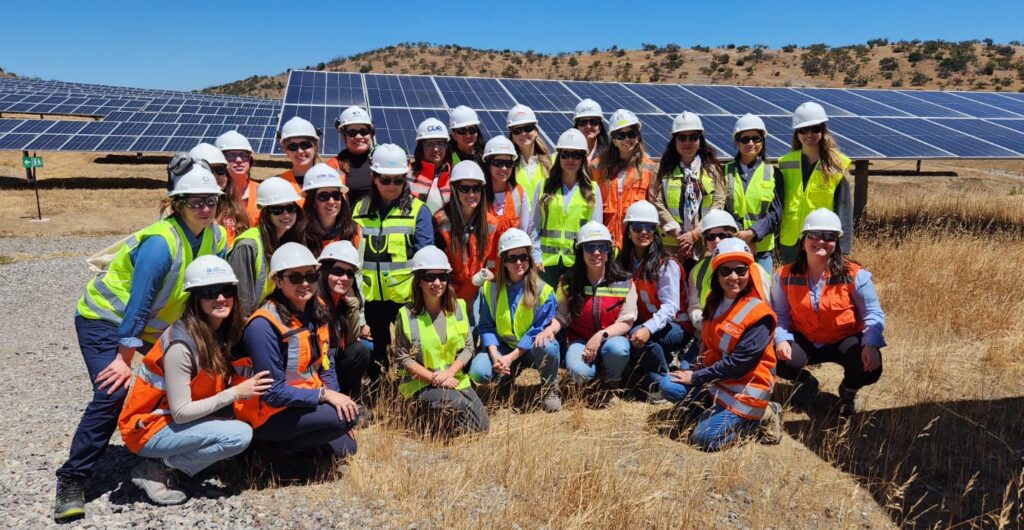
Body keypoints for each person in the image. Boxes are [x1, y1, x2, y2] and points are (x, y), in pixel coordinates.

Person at [54, 165, 228, 522]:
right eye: (195, 201)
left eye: (211, 200)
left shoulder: (216, 237)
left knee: (181, 382)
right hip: (105, 319)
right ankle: (72, 480)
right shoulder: (161, 244)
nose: (205, 208)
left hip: (150, 328)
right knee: (112, 392)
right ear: (177, 203)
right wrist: (123, 358)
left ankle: (157, 458)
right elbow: (140, 301)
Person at [118, 256, 271, 505]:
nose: (220, 298)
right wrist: (236, 393)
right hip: (148, 428)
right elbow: (181, 412)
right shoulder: (182, 344)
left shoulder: (221, 331)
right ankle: (160, 467)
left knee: (245, 418)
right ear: (196, 298)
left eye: (226, 290)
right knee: (239, 435)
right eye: (210, 292)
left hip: (176, 418)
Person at [236, 243, 359, 464]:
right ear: (278, 281)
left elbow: (326, 364)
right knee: (342, 420)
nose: (305, 284)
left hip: (302, 402)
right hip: (268, 412)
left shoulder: (318, 310)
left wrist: (337, 398)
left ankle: (292, 452)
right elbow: (272, 393)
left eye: (310, 277)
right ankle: (262, 452)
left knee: (346, 445)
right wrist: (325, 396)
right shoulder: (263, 325)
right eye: (295, 278)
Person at [657, 238, 783, 451]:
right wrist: (698, 368)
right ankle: (712, 412)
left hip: (746, 389)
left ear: (749, 272)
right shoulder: (713, 300)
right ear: (716, 274)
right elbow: (711, 343)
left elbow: (739, 364)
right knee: (668, 385)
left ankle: (760, 418)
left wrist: (696, 377)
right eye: (726, 271)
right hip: (717, 381)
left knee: (704, 439)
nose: (734, 277)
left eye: (741, 270)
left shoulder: (759, 314)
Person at [772, 209, 885, 416]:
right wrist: (781, 339)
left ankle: (848, 390)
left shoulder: (854, 275)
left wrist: (871, 344)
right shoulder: (784, 275)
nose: (821, 242)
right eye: (814, 235)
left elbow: (872, 313)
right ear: (803, 240)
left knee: (869, 367)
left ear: (836, 242)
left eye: (829, 236)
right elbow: (780, 314)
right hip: (805, 338)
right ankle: (805, 382)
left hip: (843, 339)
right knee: (772, 355)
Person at [352, 144, 434, 390]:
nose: (392, 186)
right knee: (375, 351)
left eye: (398, 180)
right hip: (371, 297)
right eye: (385, 179)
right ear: (374, 178)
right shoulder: (359, 209)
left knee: (412, 349)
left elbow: (425, 257)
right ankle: (378, 389)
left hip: (406, 298)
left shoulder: (418, 211)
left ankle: (414, 390)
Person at [391, 246, 490, 435]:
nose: (437, 282)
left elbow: (469, 347)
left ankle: (442, 421)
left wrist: (449, 374)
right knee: (455, 403)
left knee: (481, 428)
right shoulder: (406, 315)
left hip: (454, 379)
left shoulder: (459, 307)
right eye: (430, 277)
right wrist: (436, 379)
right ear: (419, 281)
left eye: (442, 277)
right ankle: (420, 418)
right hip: (420, 383)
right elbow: (403, 358)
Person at [469, 229, 562, 412]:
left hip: (532, 349)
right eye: (512, 258)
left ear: (530, 257)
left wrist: (510, 358)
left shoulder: (544, 291)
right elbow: (487, 326)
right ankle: (506, 379)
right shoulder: (490, 289)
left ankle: (550, 387)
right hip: (503, 347)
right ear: (503, 261)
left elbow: (537, 330)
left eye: (523, 256)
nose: (519, 262)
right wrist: (496, 355)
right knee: (479, 371)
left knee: (548, 346)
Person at [553, 222, 636, 398]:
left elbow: (627, 321)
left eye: (603, 247)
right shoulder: (567, 281)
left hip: (612, 338)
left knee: (618, 350)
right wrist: (548, 330)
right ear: (580, 251)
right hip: (580, 340)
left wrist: (600, 336)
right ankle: (593, 373)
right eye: (590, 247)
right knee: (579, 373)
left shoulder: (625, 281)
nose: (596, 253)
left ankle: (613, 379)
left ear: (609, 251)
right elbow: (561, 316)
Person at [618, 201, 690, 397]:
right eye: (637, 227)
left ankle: (660, 384)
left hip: (677, 326)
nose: (643, 232)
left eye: (649, 227)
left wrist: (647, 329)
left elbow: (671, 307)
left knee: (641, 336)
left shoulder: (666, 264)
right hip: (647, 321)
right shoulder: (624, 260)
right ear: (628, 230)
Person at [778, 102, 854, 263]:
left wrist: (844, 249)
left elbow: (844, 209)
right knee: (793, 285)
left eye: (815, 129)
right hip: (791, 240)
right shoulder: (785, 163)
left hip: (821, 239)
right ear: (797, 133)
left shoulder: (837, 164)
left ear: (823, 131)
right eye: (803, 130)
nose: (809, 134)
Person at [532, 129, 603, 288]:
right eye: (565, 154)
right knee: (545, 309)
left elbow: (595, 231)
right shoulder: (543, 186)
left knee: (570, 310)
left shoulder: (592, 190)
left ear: (583, 158)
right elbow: (534, 226)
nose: (570, 159)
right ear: (558, 156)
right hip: (546, 264)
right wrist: (535, 256)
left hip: (576, 263)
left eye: (576, 155)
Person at [592, 109, 670, 249]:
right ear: (613, 140)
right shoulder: (597, 168)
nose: (627, 139)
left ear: (638, 136)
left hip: (636, 245)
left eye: (631, 134)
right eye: (620, 135)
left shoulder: (651, 169)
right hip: (605, 242)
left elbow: (657, 206)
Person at [229, 177, 305, 318]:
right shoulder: (248, 246)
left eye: (291, 208)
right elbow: (242, 304)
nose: (286, 214)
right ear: (265, 213)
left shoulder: (287, 240)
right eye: (277, 210)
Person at [656, 112, 726, 264]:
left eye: (693, 137)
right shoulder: (662, 170)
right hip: (672, 244)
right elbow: (657, 203)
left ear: (700, 140)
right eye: (682, 137)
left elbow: (718, 203)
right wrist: (680, 235)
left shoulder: (713, 170)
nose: (687, 142)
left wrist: (695, 234)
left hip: (704, 243)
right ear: (674, 140)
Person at [686, 209, 771, 332]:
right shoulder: (697, 270)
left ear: (733, 236)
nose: (716, 241)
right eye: (711, 236)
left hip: (747, 334)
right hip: (709, 332)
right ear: (705, 241)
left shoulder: (755, 270)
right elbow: (694, 307)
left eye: (722, 235)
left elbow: (766, 306)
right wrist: (708, 325)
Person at [436, 160, 505, 304]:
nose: (471, 194)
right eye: (465, 189)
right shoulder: (439, 221)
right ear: (454, 189)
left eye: (476, 188)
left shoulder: (491, 223)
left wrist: (487, 278)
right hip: (447, 295)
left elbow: (493, 261)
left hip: (478, 294)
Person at [723, 114, 783, 277]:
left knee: (761, 296)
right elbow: (721, 209)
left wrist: (752, 234)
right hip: (732, 247)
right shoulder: (724, 172)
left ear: (762, 141)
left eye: (756, 138)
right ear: (737, 142)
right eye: (745, 139)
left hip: (762, 251)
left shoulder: (773, 173)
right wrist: (741, 236)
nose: (750, 143)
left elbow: (776, 213)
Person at [318, 241, 373, 404]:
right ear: (325, 271)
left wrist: (353, 306)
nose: (345, 278)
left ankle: (351, 400)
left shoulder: (342, 302)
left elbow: (350, 341)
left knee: (361, 350)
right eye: (338, 271)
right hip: (318, 369)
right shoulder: (315, 303)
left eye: (349, 273)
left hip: (332, 362)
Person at [248, 116, 317, 222]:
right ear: (285, 150)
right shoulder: (275, 184)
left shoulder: (331, 178)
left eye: (305, 145)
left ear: (315, 146)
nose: (299, 151)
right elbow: (259, 220)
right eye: (292, 146)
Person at [190, 142, 249, 245]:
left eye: (219, 170)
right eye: (206, 170)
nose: (214, 176)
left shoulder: (235, 208)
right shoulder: (178, 210)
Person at [301, 163, 358, 256]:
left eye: (336, 195)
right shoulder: (300, 235)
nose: (331, 201)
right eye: (323, 196)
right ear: (312, 202)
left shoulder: (355, 231)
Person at [408, 118, 453, 223]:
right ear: (420, 147)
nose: (436, 149)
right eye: (429, 144)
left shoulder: (455, 176)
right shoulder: (406, 173)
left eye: (440, 143)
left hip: (445, 237)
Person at [482, 136, 531, 235]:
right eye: (498, 163)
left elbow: (523, 232)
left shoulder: (519, 193)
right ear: (488, 165)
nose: (504, 168)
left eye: (508, 163)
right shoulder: (476, 193)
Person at [328, 106, 375, 205]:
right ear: (344, 136)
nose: (358, 137)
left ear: (371, 134)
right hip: (349, 220)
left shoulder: (383, 160)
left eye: (364, 132)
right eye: (352, 133)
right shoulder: (332, 167)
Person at [506, 104, 552, 201]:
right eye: (517, 130)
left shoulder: (553, 163)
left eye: (528, 128)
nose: (523, 133)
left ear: (536, 131)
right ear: (512, 136)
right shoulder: (506, 166)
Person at [215, 129, 256, 204]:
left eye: (243, 155)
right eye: (231, 155)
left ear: (250, 159)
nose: (239, 160)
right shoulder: (212, 196)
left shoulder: (263, 190)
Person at [573, 98, 608, 165]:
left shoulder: (610, 157)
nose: (588, 126)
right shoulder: (565, 156)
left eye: (593, 122)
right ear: (577, 127)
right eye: (583, 122)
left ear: (600, 127)